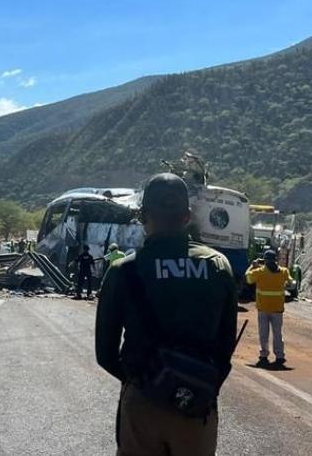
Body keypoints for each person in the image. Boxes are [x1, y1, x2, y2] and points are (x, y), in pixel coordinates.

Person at [95, 173, 238, 456]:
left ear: (143, 216)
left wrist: (147, 381)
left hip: (143, 400)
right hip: (196, 401)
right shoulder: (218, 266)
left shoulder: (123, 270)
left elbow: (105, 354)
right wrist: (194, 386)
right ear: (187, 217)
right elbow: (226, 346)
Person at [245, 249, 292, 367]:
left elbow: (248, 278)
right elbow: (291, 283)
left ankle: (264, 355)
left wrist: (252, 266)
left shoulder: (260, 272)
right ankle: (280, 356)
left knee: (263, 333)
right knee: (278, 334)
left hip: (263, 308)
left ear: (265, 260)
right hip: (277, 308)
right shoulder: (283, 271)